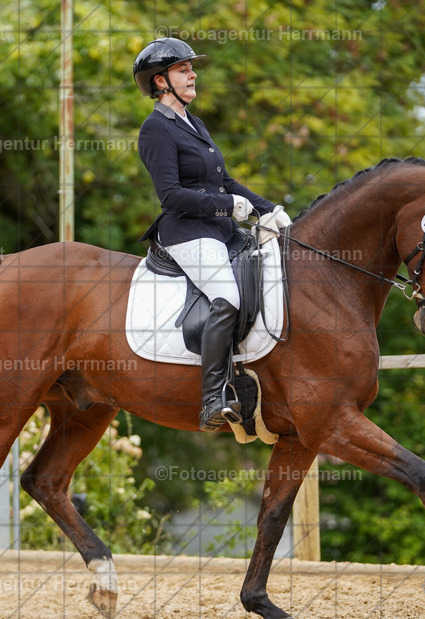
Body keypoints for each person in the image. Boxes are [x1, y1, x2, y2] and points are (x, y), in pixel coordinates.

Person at [133, 38, 291, 432]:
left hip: (221, 230)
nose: (193, 74)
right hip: (187, 234)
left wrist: (267, 207)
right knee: (229, 297)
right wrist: (228, 207)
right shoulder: (155, 129)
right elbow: (170, 196)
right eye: (184, 69)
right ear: (160, 81)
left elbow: (226, 181)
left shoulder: (194, 123)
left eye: (191, 68)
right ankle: (212, 398)